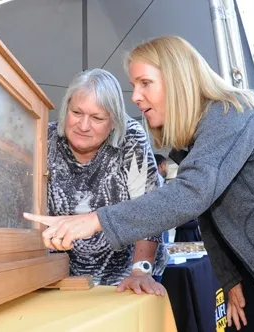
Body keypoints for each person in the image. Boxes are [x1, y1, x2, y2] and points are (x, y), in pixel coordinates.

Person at [24, 36, 254, 332]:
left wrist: (94, 220)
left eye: (145, 83)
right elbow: (213, 217)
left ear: (177, 79)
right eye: (77, 113)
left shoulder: (230, 116)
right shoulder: (202, 134)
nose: (135, 96)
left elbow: (191, 194)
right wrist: (232, 279)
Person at [44, 68, 168, 294]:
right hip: (62, 277)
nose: (83, 126)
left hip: (128, 273)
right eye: (76, 113)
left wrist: (140, 270)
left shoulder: (130, 137)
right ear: (65, 109)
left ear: (113, 121)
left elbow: (150, 209)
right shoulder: (46, 139)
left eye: (97, 118)